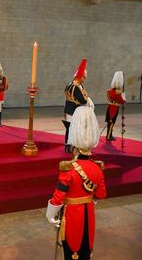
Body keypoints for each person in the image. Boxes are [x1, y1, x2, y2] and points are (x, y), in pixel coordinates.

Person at [46, 106, 107, 260]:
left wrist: (50, 214)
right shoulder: (97, 167)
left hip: (72, 216)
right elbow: (101, 194)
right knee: (86, 250)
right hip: (89, 213)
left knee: (71, 252)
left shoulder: (69, 169)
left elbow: (58, 197)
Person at [63, 59, 94, 153]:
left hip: (68, 109)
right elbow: (82, 100)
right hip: (73, 111)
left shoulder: (70, 84)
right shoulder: (76, 87)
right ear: (80, 76)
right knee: (71, 129)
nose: (84, 80)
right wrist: (88, 102)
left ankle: (69, 146)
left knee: (69, 129)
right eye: (84, 78)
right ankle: (69, 147)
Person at [105, 71, 126, 141]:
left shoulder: (111, 91)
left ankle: (109, 134)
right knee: (112, 122)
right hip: (114, 108)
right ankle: (109, 136)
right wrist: (124, 100)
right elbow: (121, 101)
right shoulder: (117, 92)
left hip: (110, 107)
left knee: (109, 122)